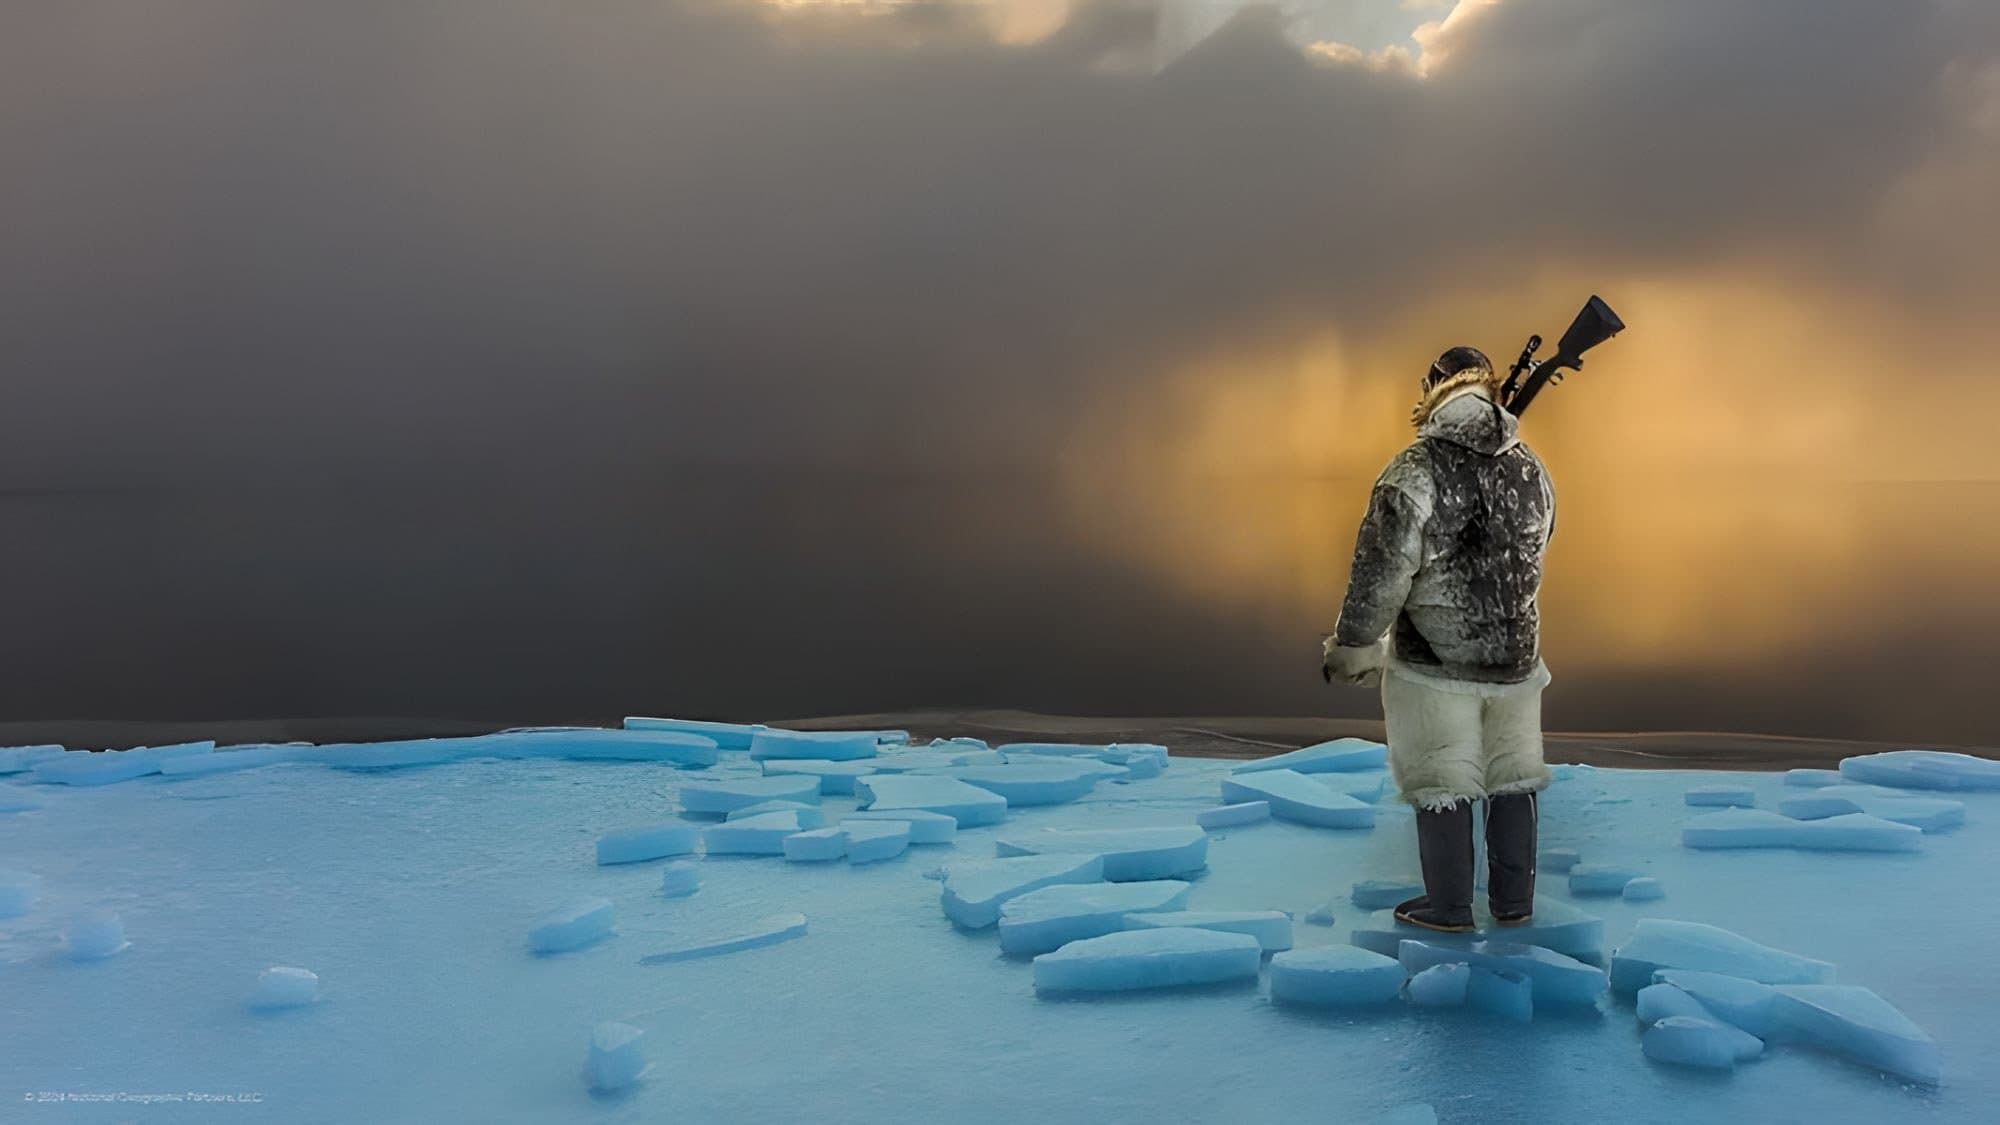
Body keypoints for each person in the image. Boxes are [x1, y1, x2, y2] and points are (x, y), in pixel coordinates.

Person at [1321, 345, 1556, 933]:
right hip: (1515, 660)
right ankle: (1513, 902)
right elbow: (1537, 550)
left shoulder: (1413, 470)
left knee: (1440, 776)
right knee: (1513, 772)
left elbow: (1381, 571)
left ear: (1434, 390)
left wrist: (1354, 645)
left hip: (1435, 663)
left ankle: (1450, 907)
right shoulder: (1532, 468)